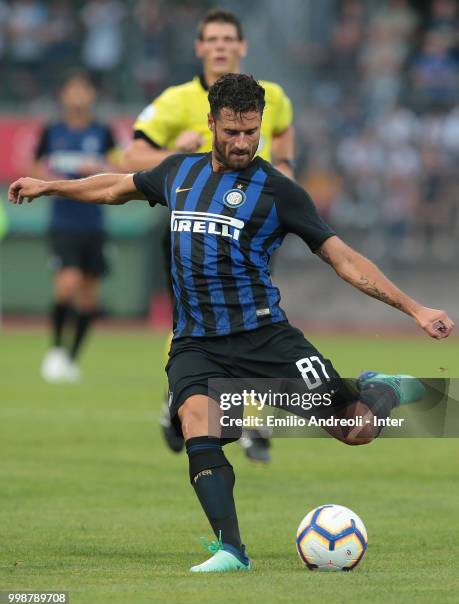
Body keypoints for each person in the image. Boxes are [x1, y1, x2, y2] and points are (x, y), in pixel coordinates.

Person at [9, 74, 454, 573]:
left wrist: (415, 308)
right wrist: (52, 186)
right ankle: (231, 551)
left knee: (357, 430)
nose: (242, 143)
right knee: (195, 422)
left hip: (264, 337)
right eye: (232, 132)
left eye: (251, 132)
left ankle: (382, 388)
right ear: (211, 124)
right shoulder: (179, 172)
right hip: (196, 342)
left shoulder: (280, 192)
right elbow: (115, 186)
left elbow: (344, 259)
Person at [123, 7, 295, 463]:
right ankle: (183, 396)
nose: (220, 46)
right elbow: (131, 152)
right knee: (193, 320)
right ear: (199, 47)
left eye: (228, 39)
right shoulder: (177, 99)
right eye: (212, 39)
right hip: (192, 231)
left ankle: (246, 419)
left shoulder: (273, 95)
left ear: (243, 46)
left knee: (255, 319)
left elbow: (284, 133)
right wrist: (168, 149)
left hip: (251, 229)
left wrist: (289, 170)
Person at [29, 70, 116, 382]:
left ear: (92, 95)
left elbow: (117, 166)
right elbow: (35, 167)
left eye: (84, 89)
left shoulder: (103, 132)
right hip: (63, 221)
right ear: (63, 95)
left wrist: (99, 168)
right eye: (72, 89)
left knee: (89, 297)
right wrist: (61, 176)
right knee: (67, 284)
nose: (78, 95)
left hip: (94, 223)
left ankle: (70, 358)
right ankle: (54, 350)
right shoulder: (52, 131)